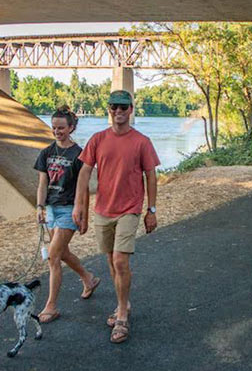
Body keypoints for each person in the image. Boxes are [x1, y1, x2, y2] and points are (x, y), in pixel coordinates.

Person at [73, 90, 160, 344]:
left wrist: (151, 210)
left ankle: (122, 314)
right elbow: (84, 173)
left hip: (129, 209)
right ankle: (125, 302)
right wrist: (80, 207)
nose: (118, 111)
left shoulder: (141, 141)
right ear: (109, 109)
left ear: (131, 110)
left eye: (123, 107)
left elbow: (151, 175)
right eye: (114, 107)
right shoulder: (98, 139)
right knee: (111, 261)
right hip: (103, 210)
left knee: (121, 261)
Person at [33, 105, 101, 324]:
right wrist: (39, 207)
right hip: (51, 209)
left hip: (68, 210)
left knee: (53, 256)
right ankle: (88, 278)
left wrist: (84, 215)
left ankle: (51, 306)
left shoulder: (79, 155)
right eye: (54, 127)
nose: (56, 131)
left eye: (61, 128)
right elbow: (42, 183)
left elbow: (84, 188)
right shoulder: (46, 153)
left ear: (71, 128)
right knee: (61, 253)